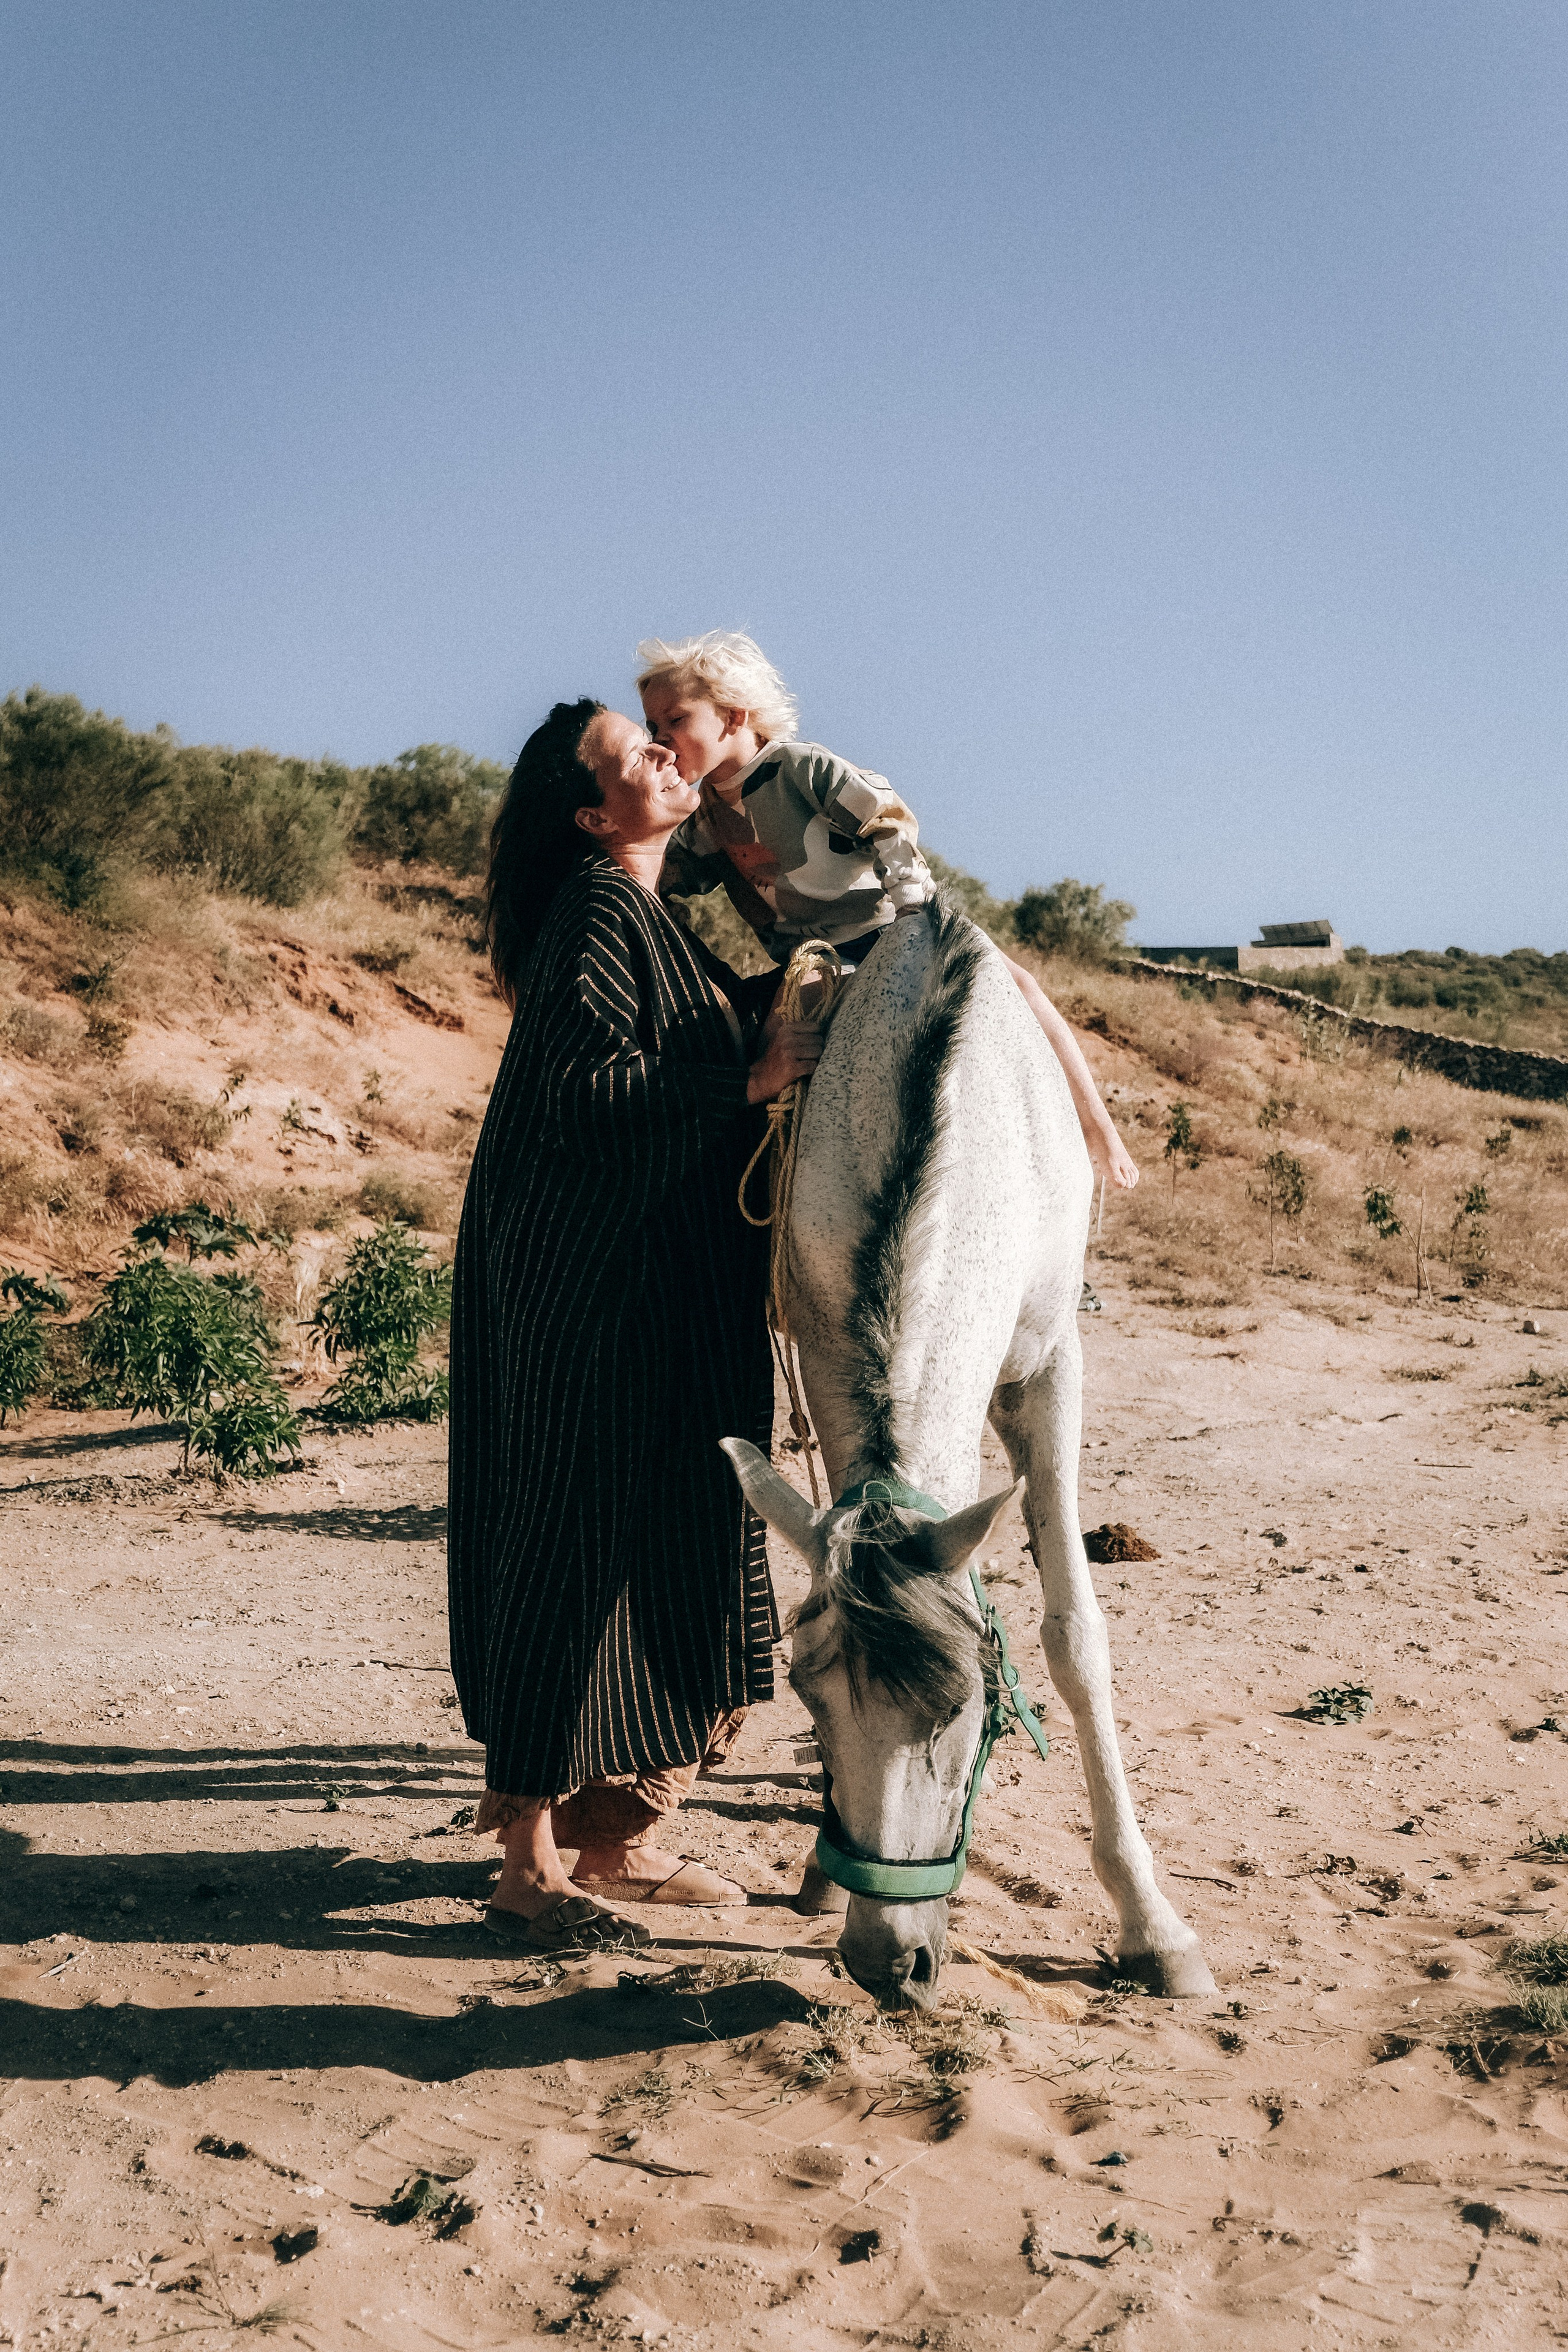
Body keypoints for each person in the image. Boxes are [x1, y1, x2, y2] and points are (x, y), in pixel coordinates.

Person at [447, 699, 821, 1954]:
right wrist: (750, 1075)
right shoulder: (599, 908)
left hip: (657, 1295)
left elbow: (685, 1039)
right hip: (589, 1300)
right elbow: (579, 1091)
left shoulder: (650, 916)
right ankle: (527, 1866)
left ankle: (613, 1837)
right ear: (592, 813)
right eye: (632, 753)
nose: (664, 754)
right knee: (570, 1553)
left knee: (674, 1546)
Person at [638, 630, 1140, 1193]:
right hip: (815, 960)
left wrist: (913, 906)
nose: (661, 739)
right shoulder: (702, 815)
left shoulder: (800, 767)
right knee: (775, 1046)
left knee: (1018, 986)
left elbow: (886, 818)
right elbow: (666, 877)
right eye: (652, 727)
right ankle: (770, 1193)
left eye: (676, 720)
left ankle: (1097, 1128)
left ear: (734, 716)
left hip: (890, 922)